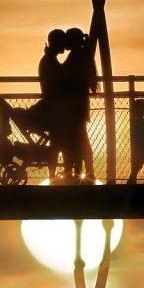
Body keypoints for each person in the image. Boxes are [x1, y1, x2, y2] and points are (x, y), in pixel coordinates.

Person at [61, 27, 97, 182]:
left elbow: (66, 75)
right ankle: (85, 171)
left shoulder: (76, 56)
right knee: (81, 138)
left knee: (77, 138)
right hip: (80, 104)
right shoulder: (82, 55)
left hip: (75, 105)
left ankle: (83, 171)